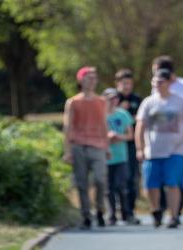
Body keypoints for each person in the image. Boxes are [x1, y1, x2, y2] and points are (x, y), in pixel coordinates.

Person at [135, 69, 183, 229]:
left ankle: (173, 216)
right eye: (154, 82)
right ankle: (155, 210)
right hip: (153, 151)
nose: (157, 85)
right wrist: (140, 148)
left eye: (160, 82)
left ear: (168, 83)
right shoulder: (148, 102)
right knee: (151, 185)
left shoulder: (180, 101)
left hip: (176, 150)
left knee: (172, 184)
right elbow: (140, 125)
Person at [150, 56, 183, 218]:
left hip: (180, 135)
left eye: (155, 68)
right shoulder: (157, 84)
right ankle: (163, 206)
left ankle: (176, 208)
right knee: (159, 176)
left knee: (177, 174)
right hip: (160, 137)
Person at [63, 66, 110, 230]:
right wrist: (67, 150)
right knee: (82, 183)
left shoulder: (101, 102)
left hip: (97, 145)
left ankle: (100, 210)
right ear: (81, 80)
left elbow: (104, 124)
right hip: (79, 145)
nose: (92, 81)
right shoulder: (73, 102)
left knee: (100, 179)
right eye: (88, 77)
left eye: (94, 78)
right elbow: (68, 127)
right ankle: (85, 215)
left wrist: (107, 146)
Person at [103, 88, 135, 226]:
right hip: (105, 156)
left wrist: (118, 137)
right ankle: (111, 215)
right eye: (109, 98)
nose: (112, 101)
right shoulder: (100, 115)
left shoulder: (123, 114)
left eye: (115, 98)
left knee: (122, 186)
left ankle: (126, 214)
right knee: (108, 188)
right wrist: (107, 138)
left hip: (121, 156)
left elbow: (130, 135)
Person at [114, 69, 143, 225]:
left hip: (131, 145)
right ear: (117, 83)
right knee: (116, 180)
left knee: (131, 178)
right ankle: (116, 212)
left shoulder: (137, 100)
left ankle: (130, 212)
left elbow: (140, 122)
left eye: (129, 83)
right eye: (124, 83)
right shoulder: (112, 99)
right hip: (114, 146)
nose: (127, 86)